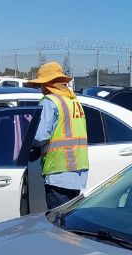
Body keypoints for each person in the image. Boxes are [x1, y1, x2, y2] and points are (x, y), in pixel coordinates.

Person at [27, 62, 89, 209]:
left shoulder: (50, 101)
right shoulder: (73, 101)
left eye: (41, 84)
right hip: (78, 171)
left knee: (57, 223)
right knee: (68, 219)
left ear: (48, 83)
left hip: (59, 171)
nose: (40, 88)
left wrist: (27, 146)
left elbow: (39, 136)